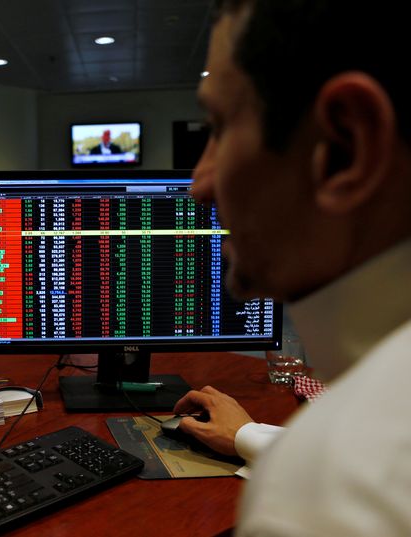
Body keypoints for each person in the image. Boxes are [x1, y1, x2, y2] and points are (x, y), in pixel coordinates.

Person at [172, 1, 411, 535]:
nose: (199, 182)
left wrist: (303, 459)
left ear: (347, 147)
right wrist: (249, 436)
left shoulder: (330, 488)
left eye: (219, 125)